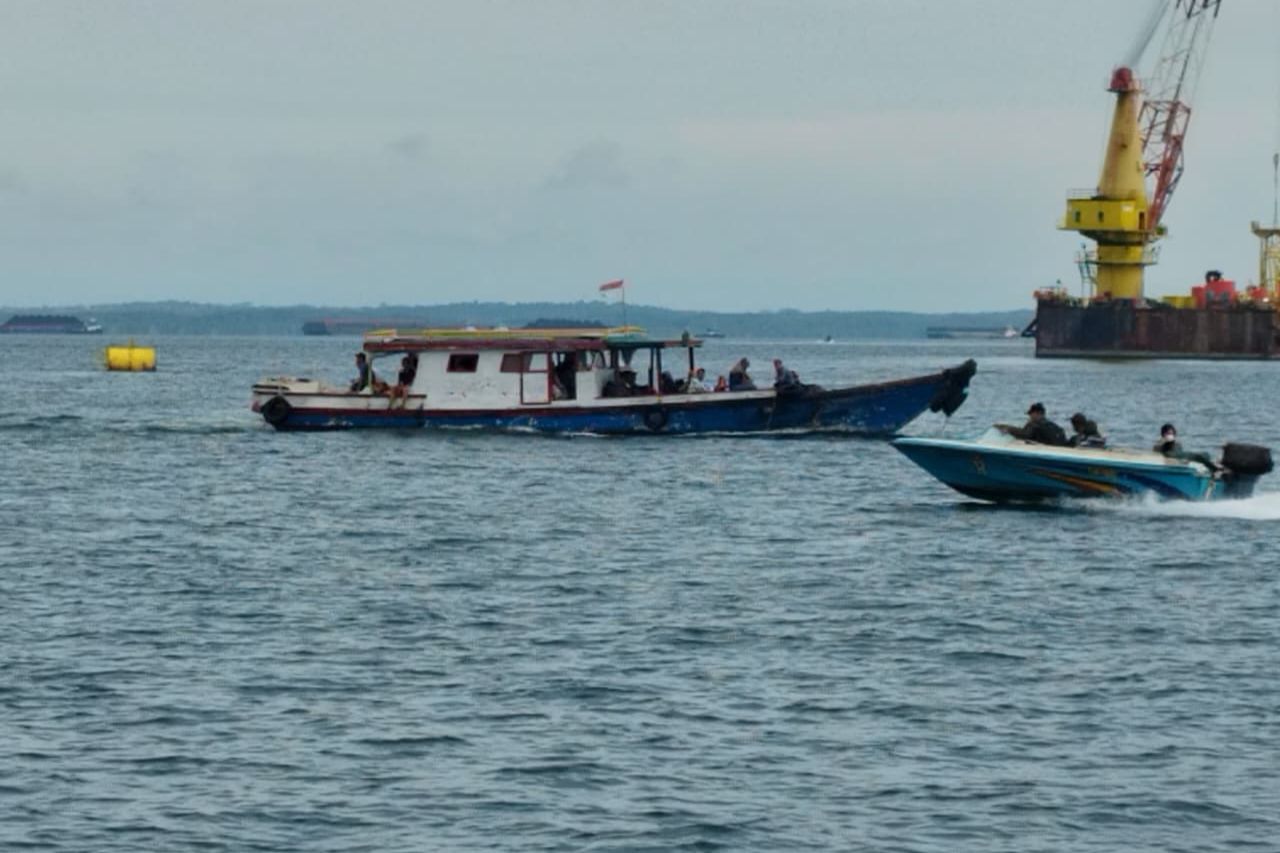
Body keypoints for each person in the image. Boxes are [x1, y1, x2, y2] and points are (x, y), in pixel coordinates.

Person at [997, 402, 1068, 446]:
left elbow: (1024, 434)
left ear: (1038, 414)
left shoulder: (1035, 424)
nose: (1030, 417)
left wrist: (1008, 428)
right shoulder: (1054, 426)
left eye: (1031, 414)